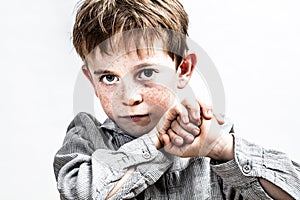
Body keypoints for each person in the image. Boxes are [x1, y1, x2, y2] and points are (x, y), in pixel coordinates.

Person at [53, 0, 300, 199]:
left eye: (147, 73)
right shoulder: (87, 138)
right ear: (92, 82)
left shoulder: (211, 141)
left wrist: (224, 150)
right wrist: (156, 142)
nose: (130, 97)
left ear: (183, 70)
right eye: (109, 78)